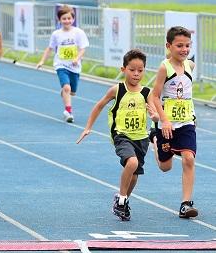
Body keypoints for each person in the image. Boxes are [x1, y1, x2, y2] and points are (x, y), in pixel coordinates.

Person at [76, 49, 158, 221]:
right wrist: (88, 127)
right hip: (121, 135)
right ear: (123, 69)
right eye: (132, 70)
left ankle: (122, 202)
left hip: (141, 138)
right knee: (132, 162)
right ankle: (121, 199)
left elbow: (155, 113)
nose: (136, 74)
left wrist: (155, 117)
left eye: (140, 70)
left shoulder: (146, 93)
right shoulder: (117, 90)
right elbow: (99, 106)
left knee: (134, 176)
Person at [151, 26, 198, 219]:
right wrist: (163, 119)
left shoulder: (190, 65)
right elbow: (155, 95)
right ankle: (154, 140)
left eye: (187, 45)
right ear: (168, 46)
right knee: (165, 167)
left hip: (187, 122)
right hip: (167, 124)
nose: (184, 49)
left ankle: (185, 204)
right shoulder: (165, 67)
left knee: (188, 158)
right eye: (179, 46)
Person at [36, 5, 89, 123]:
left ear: (73, 19)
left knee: (72, 92)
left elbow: (83, 48)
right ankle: (68, 112)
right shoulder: (56, 34)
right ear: (59, 20)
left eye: (69, 18)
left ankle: (64, 92)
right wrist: (42, 61)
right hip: (61, 65)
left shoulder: (78, 33)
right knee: (67, 87)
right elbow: (49, 49)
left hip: (74, 67)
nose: (67, 21)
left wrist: (77, 58)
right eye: (64, 19)